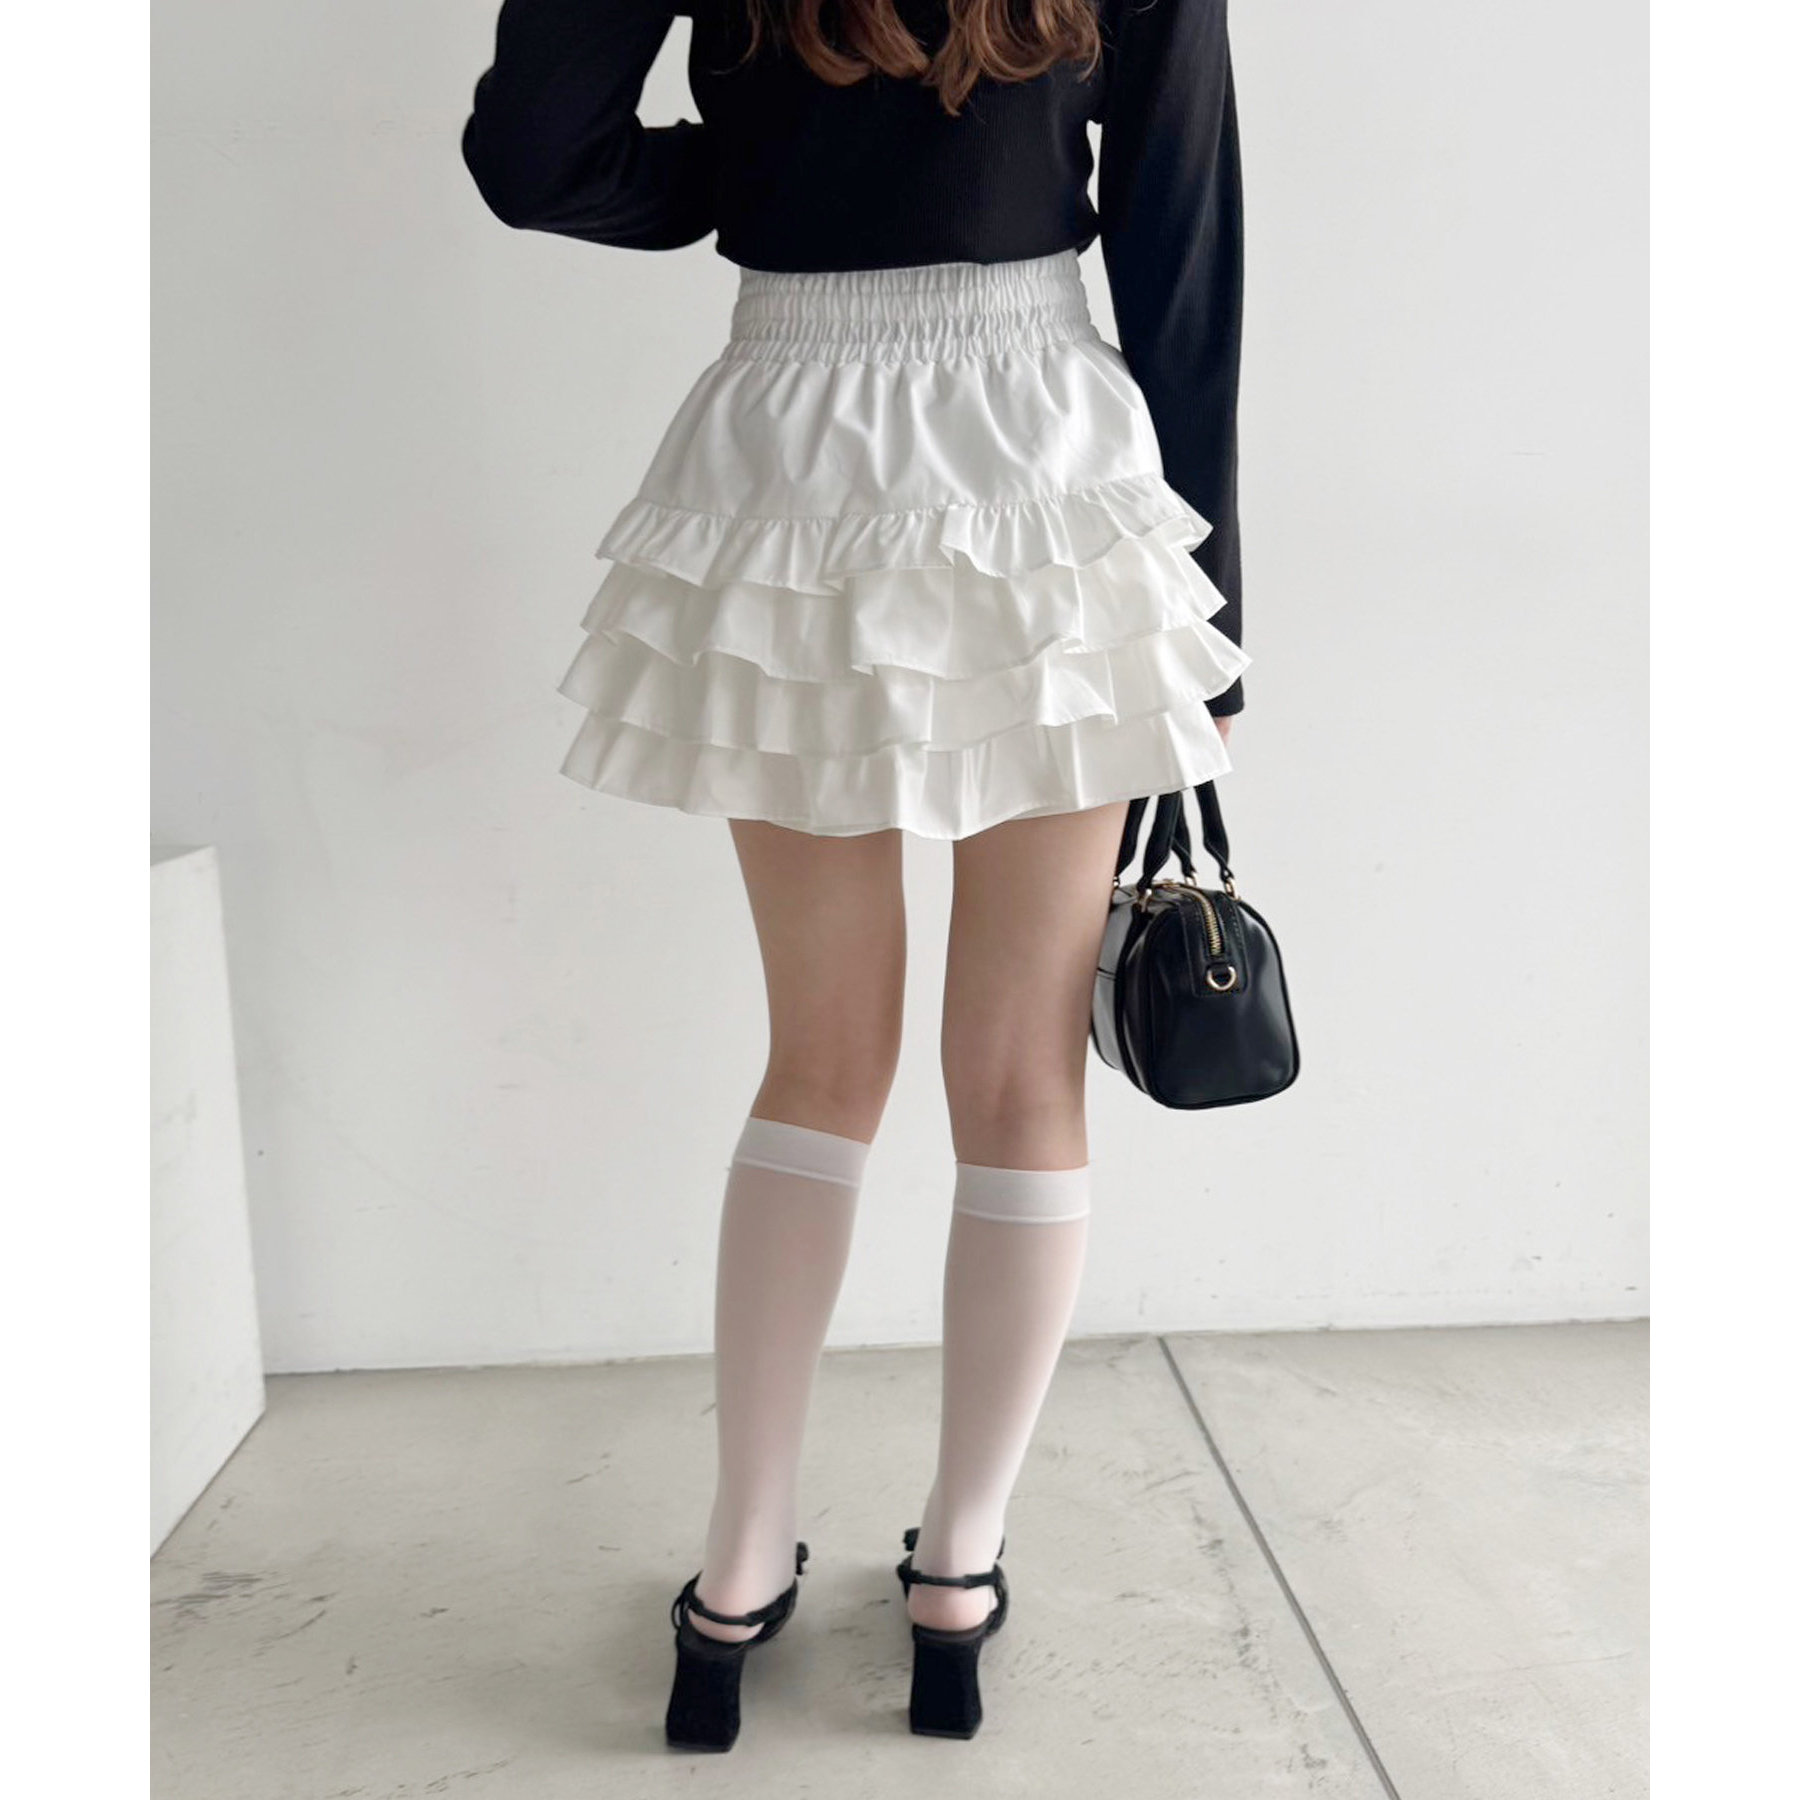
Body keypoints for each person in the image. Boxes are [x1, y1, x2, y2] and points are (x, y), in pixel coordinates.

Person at [460, 0, 1248, 1748]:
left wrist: (757, 169)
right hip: (1046, 455)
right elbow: (1181, 235)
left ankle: (737, 1574)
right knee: (1023, 1077)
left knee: (817, 1065)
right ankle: (957, 1575)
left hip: (791, 443)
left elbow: (534, 157)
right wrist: (1218, 616)